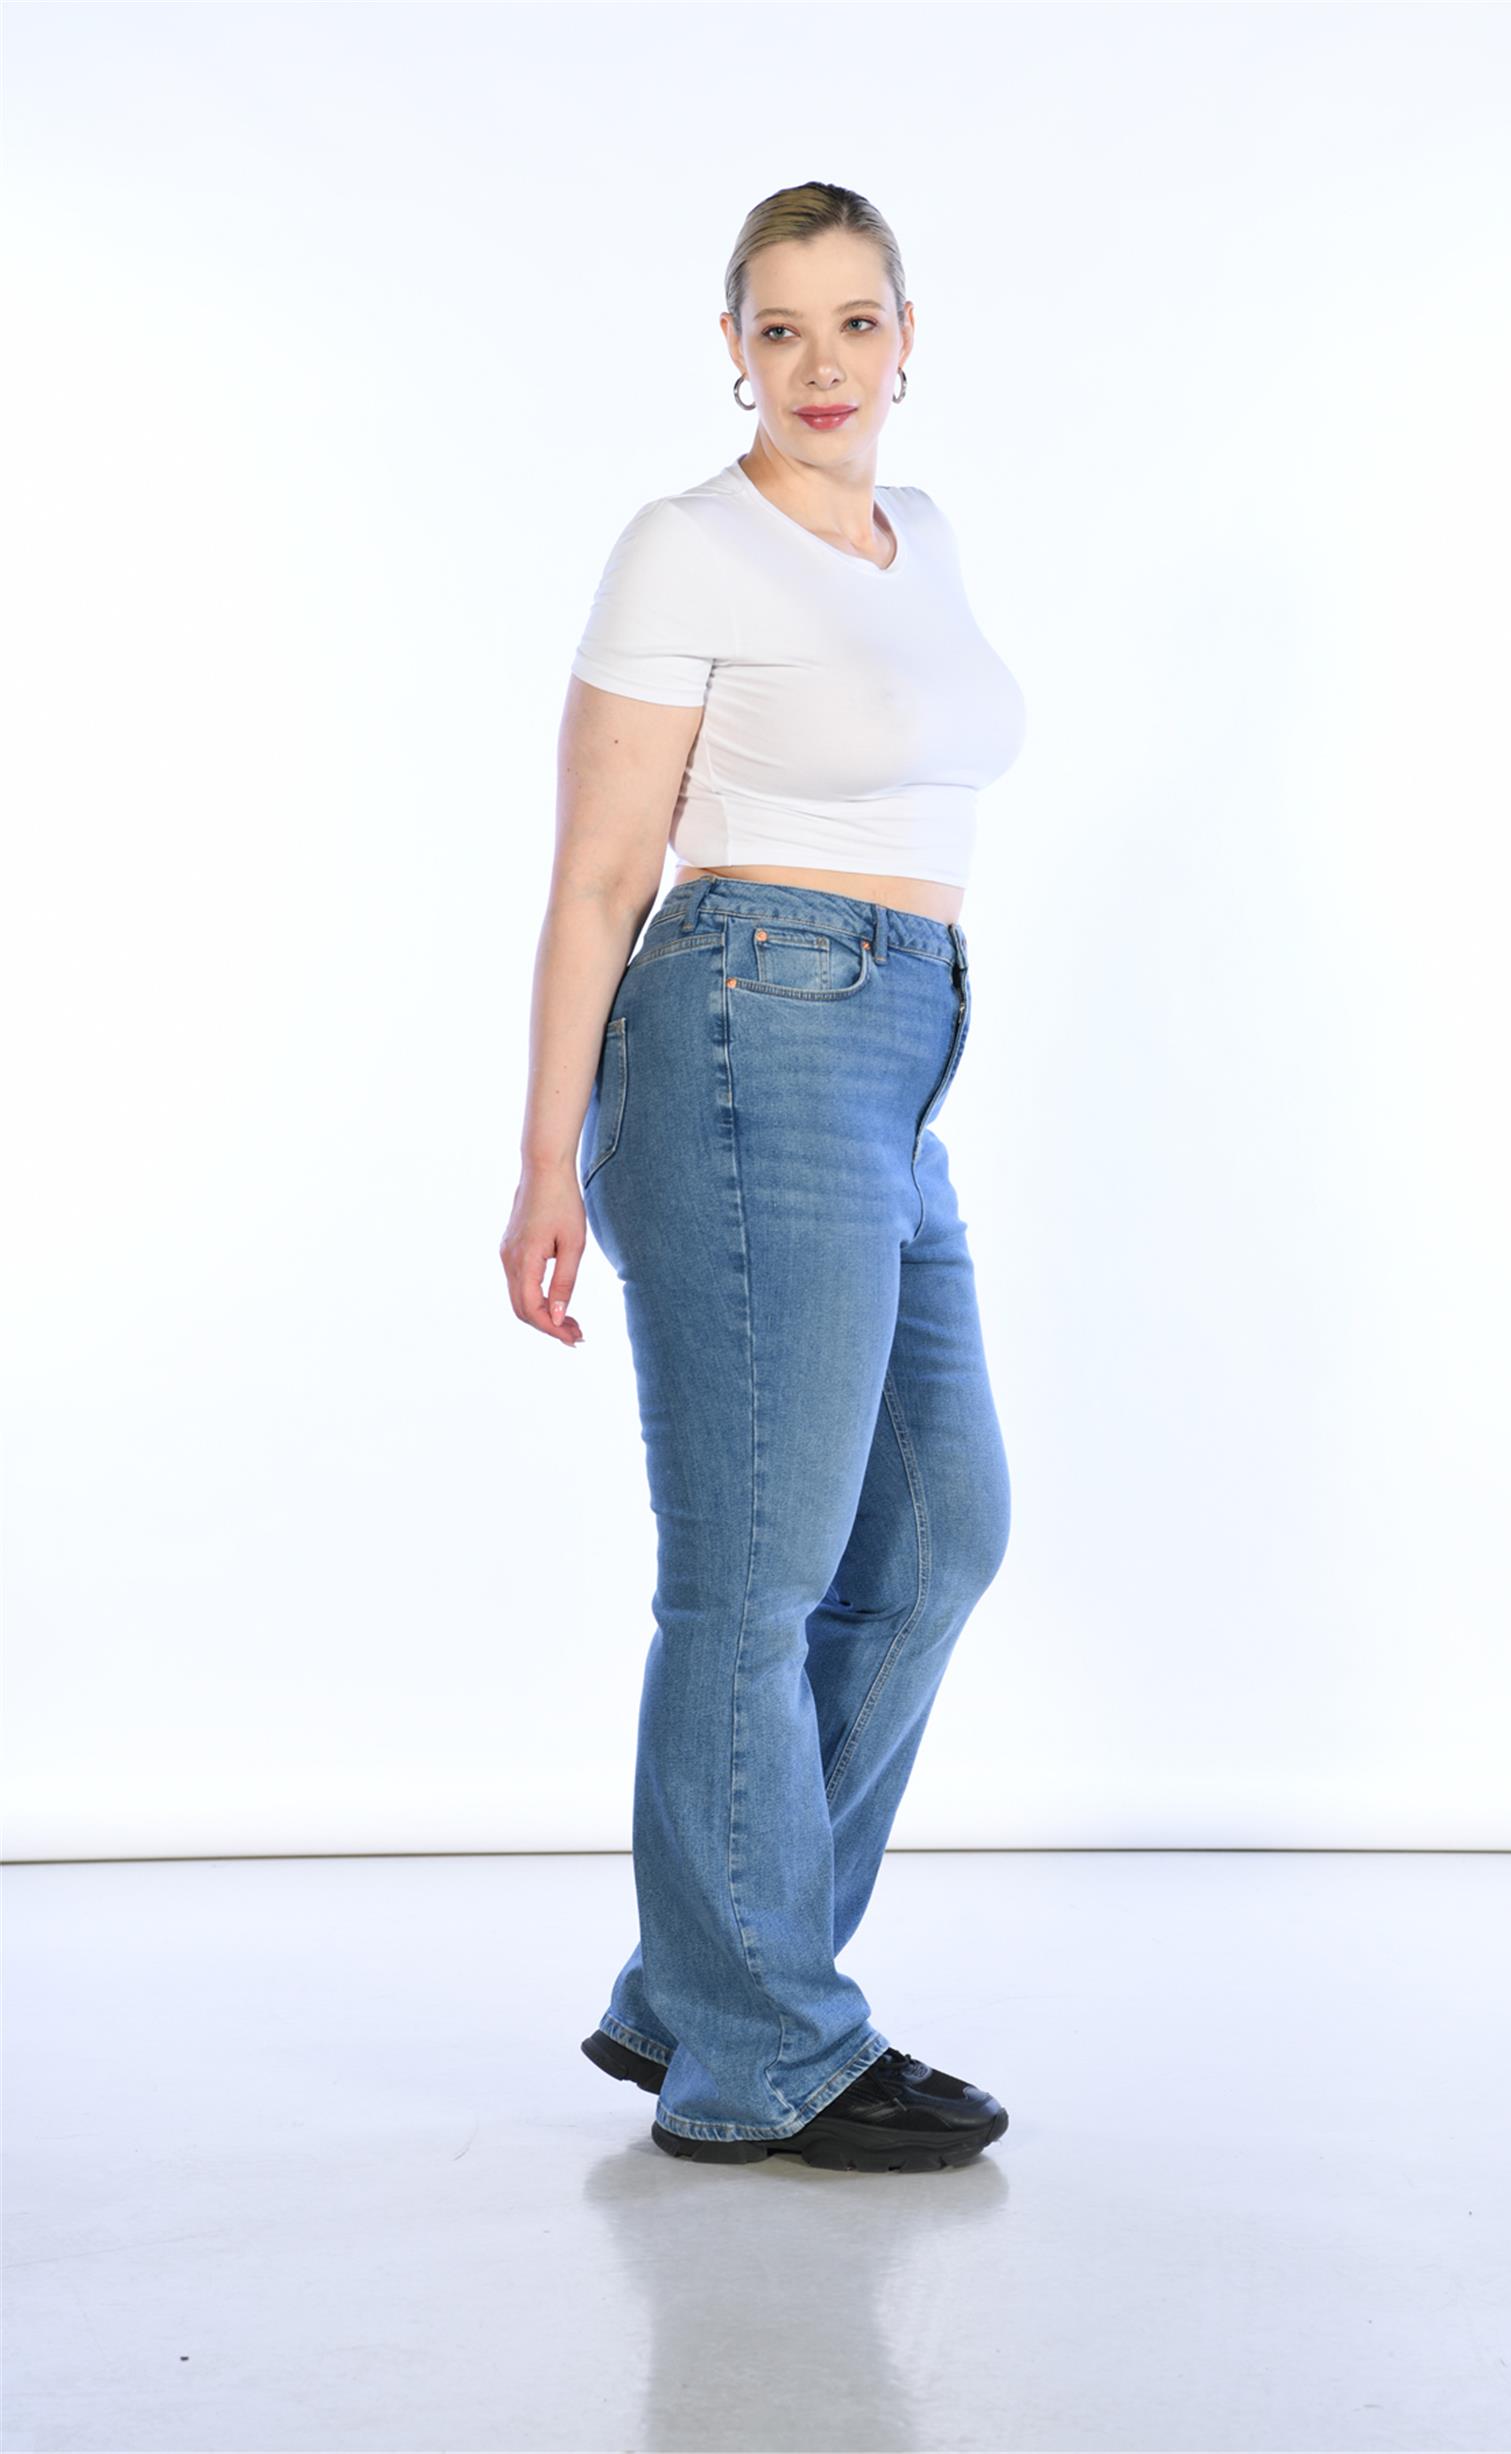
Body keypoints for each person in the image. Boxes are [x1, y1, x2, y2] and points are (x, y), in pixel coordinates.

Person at [499, 182, 1026, 2173]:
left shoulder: (923, 538)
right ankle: (763, 2048)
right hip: (744, 1030)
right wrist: (544, 1157)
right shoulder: (684, 545)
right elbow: (597, 873)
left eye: (854, 324)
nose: (821, 367)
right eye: (780, 329)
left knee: (940, 1535)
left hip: (897, 1057)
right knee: (753, 1574)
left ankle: (702, 1979)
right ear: (732, 347)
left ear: (907, 337)